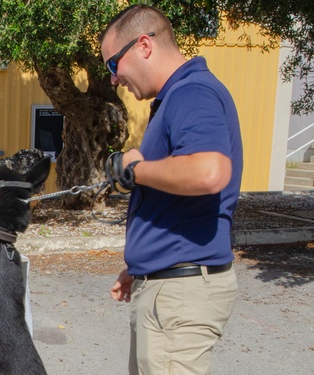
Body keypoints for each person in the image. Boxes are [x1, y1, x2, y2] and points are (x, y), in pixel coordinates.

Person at [99, 5, 243, 375]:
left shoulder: (190, 93)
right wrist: (142, 266)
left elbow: (211, 171)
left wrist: (136, 168)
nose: (114, 80)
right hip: (170, 284)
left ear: (143, 45)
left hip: (179, 294)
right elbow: (178, 196)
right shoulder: (178, 96)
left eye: (114, 65)